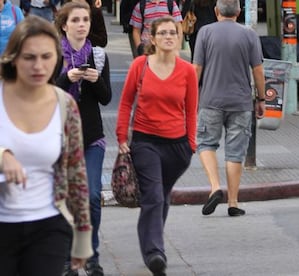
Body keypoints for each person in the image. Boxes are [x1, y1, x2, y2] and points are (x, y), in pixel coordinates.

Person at [0, 15, 93, 275]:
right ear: (14, 57)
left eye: (46, 56)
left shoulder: (65, 105)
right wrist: (2, 155)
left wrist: (83, 236)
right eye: (29, 57)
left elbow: (76, 172)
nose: (39, 66)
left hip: (49, 225)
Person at [116, 16, 198, 276]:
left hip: (177, 147)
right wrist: (120, 137)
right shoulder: (140, 65)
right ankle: (154, 253)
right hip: (145, 141)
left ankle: (152, 241)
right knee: (152, 195)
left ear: (179, 36)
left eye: (172, 32)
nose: (168, 37)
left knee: (161, 197)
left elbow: (192, 111)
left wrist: (191, 145)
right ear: (152, 37)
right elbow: (126, 102)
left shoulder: (187, 70)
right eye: (162, 33)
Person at [193, 0, 266, 217]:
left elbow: (197, 68)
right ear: (239, 12)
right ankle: (233, 202)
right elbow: (258, 70)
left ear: (216, 11)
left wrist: (191, 98)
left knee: (206, 143)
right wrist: (261, 99)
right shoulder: (250, 35)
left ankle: (215, 187)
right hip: (241, 102)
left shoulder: (205, 33)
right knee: (236, 152)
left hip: (210, 100)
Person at [54, 2, 112, 275]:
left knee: (91, 197)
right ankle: (68, 260)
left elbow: (106, 98)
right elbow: (47, 95)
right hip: (60, 139)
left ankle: (91, 256)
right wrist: (67, 78)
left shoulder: (98, 55)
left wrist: (93, 79)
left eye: (85, 20)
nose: (81, 24)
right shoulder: (53, 55)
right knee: (66, 200)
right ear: (64, 25)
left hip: (92, 138)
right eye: (75, 20)